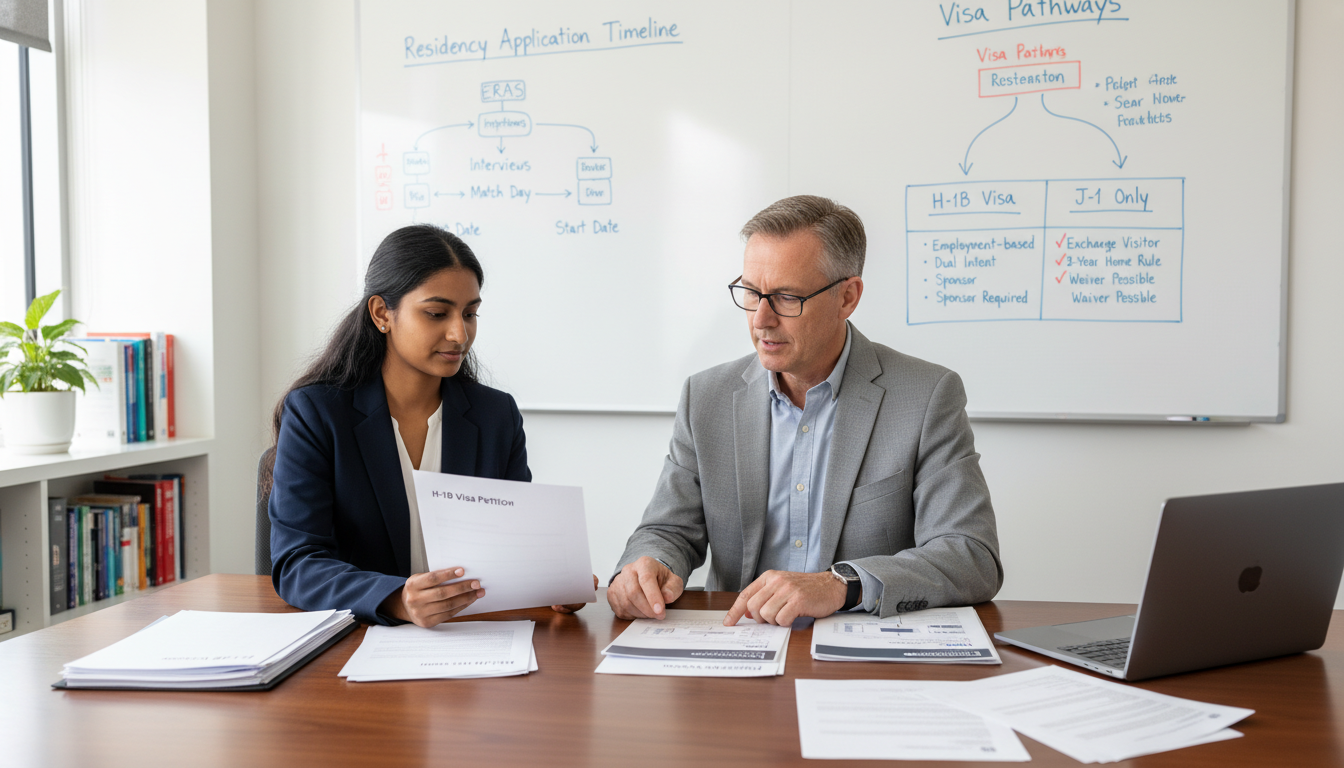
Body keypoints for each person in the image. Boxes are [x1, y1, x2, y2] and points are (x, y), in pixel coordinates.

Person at [608, 195, 1002, 627]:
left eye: (786, 298)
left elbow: (970, 554)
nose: (760, 319)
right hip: (738, 646)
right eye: (752, 293)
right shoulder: (706, 397)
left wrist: (841, 584)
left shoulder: (925, 396)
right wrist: (646, 566)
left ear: (847, 298)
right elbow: (667, 531)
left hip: (860, 653)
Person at [268, 224, 594, 627]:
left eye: (470, 313)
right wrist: (395, 599)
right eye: (437, 313)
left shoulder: (496, 417)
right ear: (382, 313)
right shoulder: (317, 413)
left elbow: (511, 547)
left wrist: (551, 581)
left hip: (470, 641)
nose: (460, 333)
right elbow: (298, 564)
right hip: (356, 643)